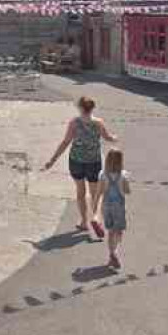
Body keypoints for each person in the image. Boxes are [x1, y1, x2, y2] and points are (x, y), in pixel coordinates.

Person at [43, 96, 118, 237]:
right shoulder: (98, 123)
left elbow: (65, 142)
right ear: (92, 108)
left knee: (80, 191)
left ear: (80, 108)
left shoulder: (74, 123)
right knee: (95, 193)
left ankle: (84, 221)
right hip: (93, 161)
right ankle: (95, 217)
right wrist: (114, 138)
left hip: (76, 160)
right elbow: (107, 137)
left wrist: (52, 160)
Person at [100, 148, 131, 269]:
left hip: (106, 205)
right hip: (119, 206)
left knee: (110, 232)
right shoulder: (123, 175)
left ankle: (112, 254)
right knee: (119, 231)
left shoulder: (103, 175)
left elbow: (101, 191)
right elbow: (127, 191)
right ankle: (115, 252)